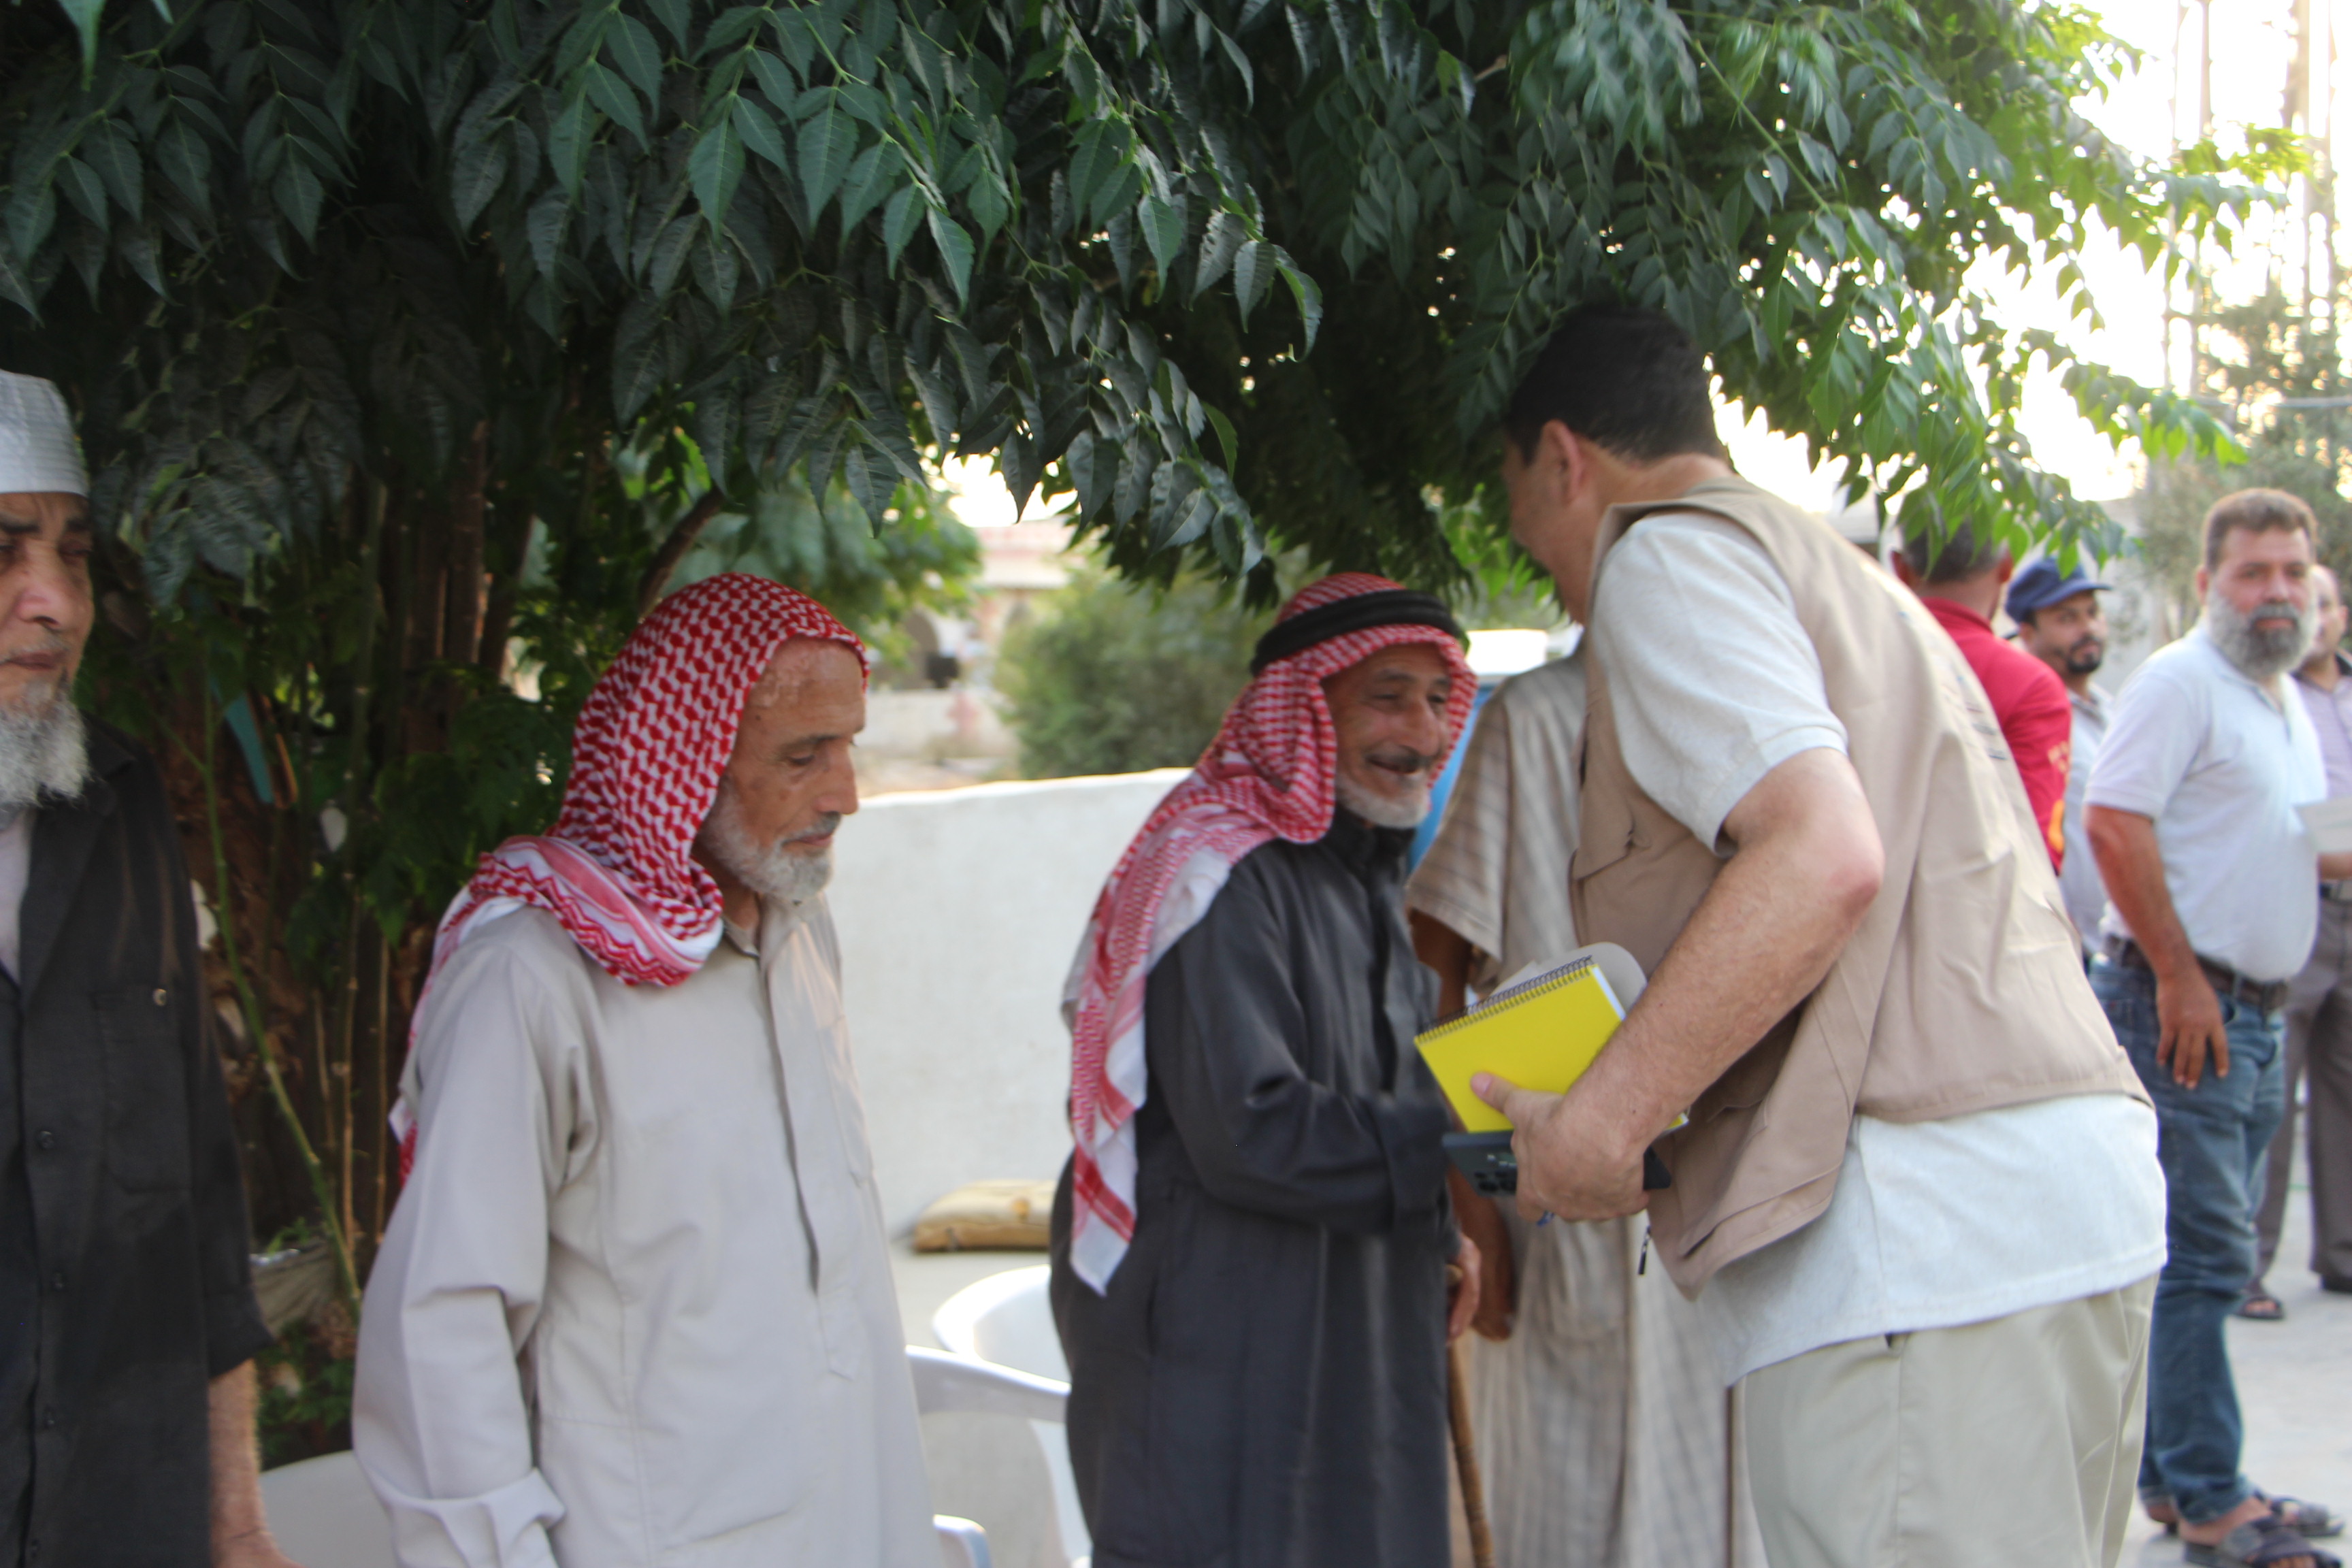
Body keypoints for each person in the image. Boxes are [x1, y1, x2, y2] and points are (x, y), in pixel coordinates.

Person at [1483, 306, 2168, 1568]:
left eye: (1523, 507)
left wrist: (1600, 1119)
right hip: (2061, 1204)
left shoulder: (1667, 556)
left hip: (1923, 1243)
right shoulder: (1849, 580)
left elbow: (1819, 852)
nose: (1540, 555)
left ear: (1565, 458)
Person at [354, 574, 932, 1565]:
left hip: (852, 1516)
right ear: (685, 759)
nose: (845, 796)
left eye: (848, 748)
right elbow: (444, 1328)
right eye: (803, 757)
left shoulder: (797, 936)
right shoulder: (532, 983)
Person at [1049, 573, 1484, 1568]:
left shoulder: (1362, 870)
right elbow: (1256, 1131)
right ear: (1306, 709)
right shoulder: (1221, 874)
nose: (1419, 728)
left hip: (1351, 1317)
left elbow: (1393, 1095)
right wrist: (1474, 1149)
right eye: (1386, 695)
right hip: (1220, 1337)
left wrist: (1455, 1216)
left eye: (1433, 697)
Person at [0, 372, 293, 1565]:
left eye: (74, 555)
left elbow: (203, 1209)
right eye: (7, 551)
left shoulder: (119, 814)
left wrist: (234, 1518)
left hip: (123, 1514)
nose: (54, 603)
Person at [1407, 649, 1763, 1568]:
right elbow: (1433, 954)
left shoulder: (1771, 711)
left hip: (1736, 1194)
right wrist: (1469, 1194)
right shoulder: (1534, 719)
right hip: (1564, 1199)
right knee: (1559, 1506)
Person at [2086, 488, 2345, 1568]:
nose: (2277, 592)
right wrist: (2184, 977)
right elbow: (2111, 817)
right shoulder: (2184, 681)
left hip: (2255, 1010)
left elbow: (2278, 843)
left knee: (2202, 1253)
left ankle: (2175, 1473)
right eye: (2254, 573)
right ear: (2207, 584)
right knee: (2205, 1260)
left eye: (2293, 572)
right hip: (2182, 1006)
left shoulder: (2274, 693)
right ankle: (2211, 1497)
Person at [2247, 562, 2352, 1319]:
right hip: (2301, 906)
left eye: (2325, 603)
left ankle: (2342, 1254)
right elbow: (2287, 813)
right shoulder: (2271, 698)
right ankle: (2247, 1268)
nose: (2316, 617)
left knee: (2345, 1092)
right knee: (2273, 1097)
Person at [1893, 508, 2074, 871]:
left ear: (1900, 567)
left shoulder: (1842, 660)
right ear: (2007, 566)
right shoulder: (2031, 687)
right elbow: (2037, 851)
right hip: (1973, 915)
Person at [2010, 559, 2117, 951]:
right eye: (2066, 618)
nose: (2087, 628)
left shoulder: (2112, 713)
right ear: (2027, 633)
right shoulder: (2029, 723)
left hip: (2122, 951)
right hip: (2064, 950)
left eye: (2092, 613)